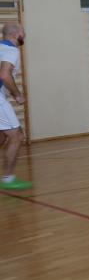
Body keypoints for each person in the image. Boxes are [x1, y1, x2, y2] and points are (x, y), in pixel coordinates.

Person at [0, 23, 30, 190]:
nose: (24, 35)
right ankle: (8, 179)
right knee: (16, 136)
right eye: (23, 32)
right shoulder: (11, 50)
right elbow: (4, 75)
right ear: (15, 34)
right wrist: (17, 95)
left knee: (2, 136)